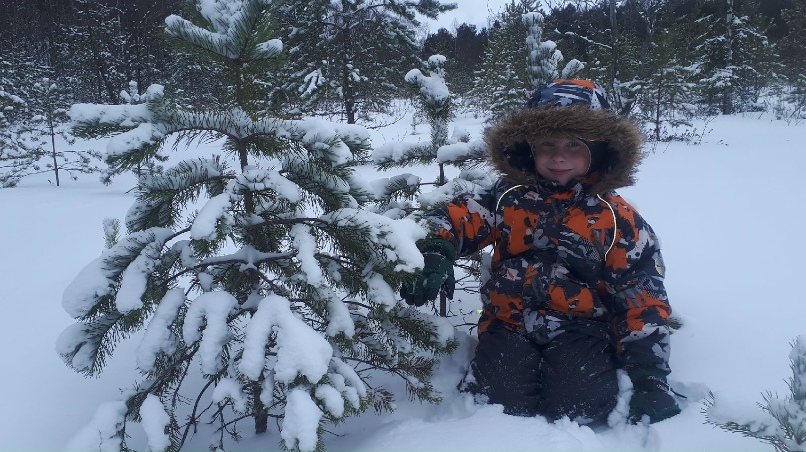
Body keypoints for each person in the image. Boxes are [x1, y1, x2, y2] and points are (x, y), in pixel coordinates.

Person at [401, 79, 681, 425]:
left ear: (600, 149)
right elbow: (459, 217)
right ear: (528, 148)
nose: (558, 156)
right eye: (546, 143)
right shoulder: (507, 196)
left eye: (573, 145)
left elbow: (641, 294)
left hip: (582, 327)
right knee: (496, 403)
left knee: (581, 407)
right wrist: (435, 247)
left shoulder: (615, 217)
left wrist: (649, 375)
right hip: (508, 323)